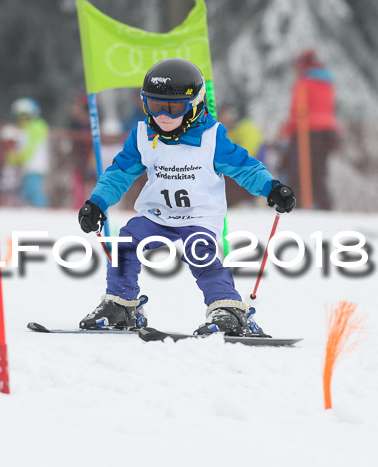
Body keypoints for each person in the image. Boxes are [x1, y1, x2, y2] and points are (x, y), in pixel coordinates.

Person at [77, 58, 296, 337]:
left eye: (174, 107)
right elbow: (119, 173)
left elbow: (245, 168)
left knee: (199, 253)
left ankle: (227, 309)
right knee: (124, 245)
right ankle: (121, 304)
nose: (163, 115)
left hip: (199, 217)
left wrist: (272, 188)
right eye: (155, 106)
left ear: (194, 104)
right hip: (157, 215)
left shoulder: (211, 138)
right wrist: (97, 203)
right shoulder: (144, 135)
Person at [279, 49, 337, 210]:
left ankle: (296, 207)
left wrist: (287, 132)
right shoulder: (327, 83)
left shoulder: (303, 83)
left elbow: (297, 110)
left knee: (297, 171)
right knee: (318, 174)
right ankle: (325, 207)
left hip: (306, 132)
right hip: (327, 132)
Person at [1, 97, 50, 207]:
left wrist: (19, 159)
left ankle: (43, 212)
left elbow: (30, 148)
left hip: (35, 167)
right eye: (20, 116)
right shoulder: (24, 129)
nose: (22, 119)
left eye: (25, 115)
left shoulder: (37, 127)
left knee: (33, 191)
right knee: (26, 193)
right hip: (26, 168)